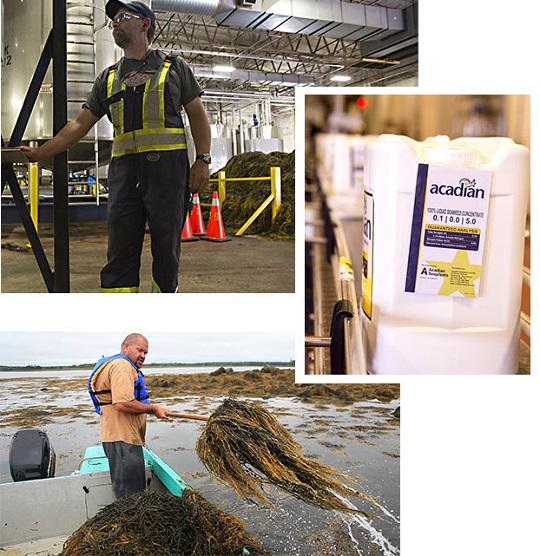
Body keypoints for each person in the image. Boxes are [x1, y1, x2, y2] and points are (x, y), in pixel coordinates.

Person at [20, 1, 212, 293]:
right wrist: (41, 152)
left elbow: (198, 115)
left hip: (168, 174)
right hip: (123, 176)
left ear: (145, 24)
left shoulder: (174, 68)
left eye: (123, 17)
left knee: (166, 251)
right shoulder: (108, 79)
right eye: (113, 20)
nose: (114, 23)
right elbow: (79, 125)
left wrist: (203, 160)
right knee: (119, 253)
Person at [88, 332, 170, 498]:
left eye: (146, 353)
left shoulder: (117, 365)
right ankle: (127, 524)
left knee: (132, 490)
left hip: (122, 438)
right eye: (140, 350)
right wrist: (152, 408)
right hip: (122, 439)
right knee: (130, 496)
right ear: (126, 347)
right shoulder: (122, 366)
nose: (143, 355)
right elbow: (122, 403)